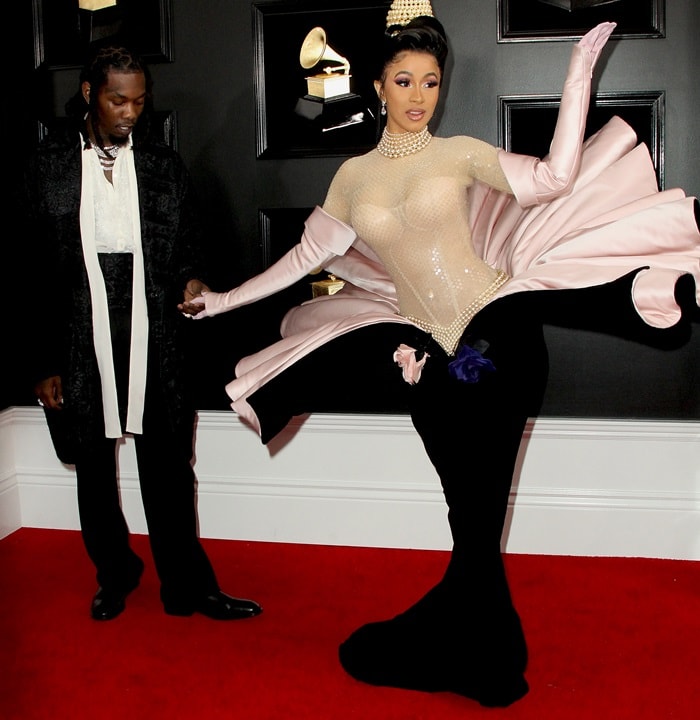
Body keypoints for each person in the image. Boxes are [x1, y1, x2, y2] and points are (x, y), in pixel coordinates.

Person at [179, 0, 700, 707]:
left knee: (479, 505)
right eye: (404, 81)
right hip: (424, 354)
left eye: (431, 81)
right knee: (470, 519)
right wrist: (222, 301)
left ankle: (495, 663)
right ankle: (478, 644)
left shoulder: (458, 154)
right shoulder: (353, 180)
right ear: (378, 86)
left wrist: (579, 70)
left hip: (499, 339)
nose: (419, 96)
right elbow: (300, 260)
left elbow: (553, 179)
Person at [22, 42, 262, 623]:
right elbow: (29, 270)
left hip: (154, 328)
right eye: (117, 100)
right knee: (94, 467)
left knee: (169, 464)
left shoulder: (162, 165)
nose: (131, 112)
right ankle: (114, 574)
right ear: (89, 94)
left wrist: (191, 280)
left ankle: (187, 587)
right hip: (78, 330)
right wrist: (43, 361)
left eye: (139, 101)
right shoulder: (47, 165)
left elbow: (187, 247)